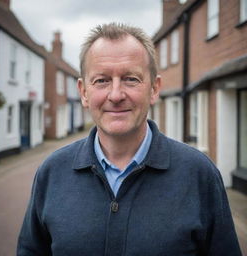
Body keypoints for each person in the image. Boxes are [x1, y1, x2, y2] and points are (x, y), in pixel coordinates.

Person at [17, 23, 242, 256]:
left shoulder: (199, 174)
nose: (115, 95)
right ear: (84, 92)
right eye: (102, 80)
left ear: (154, 89)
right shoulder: (51, 172)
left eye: (131, 79)